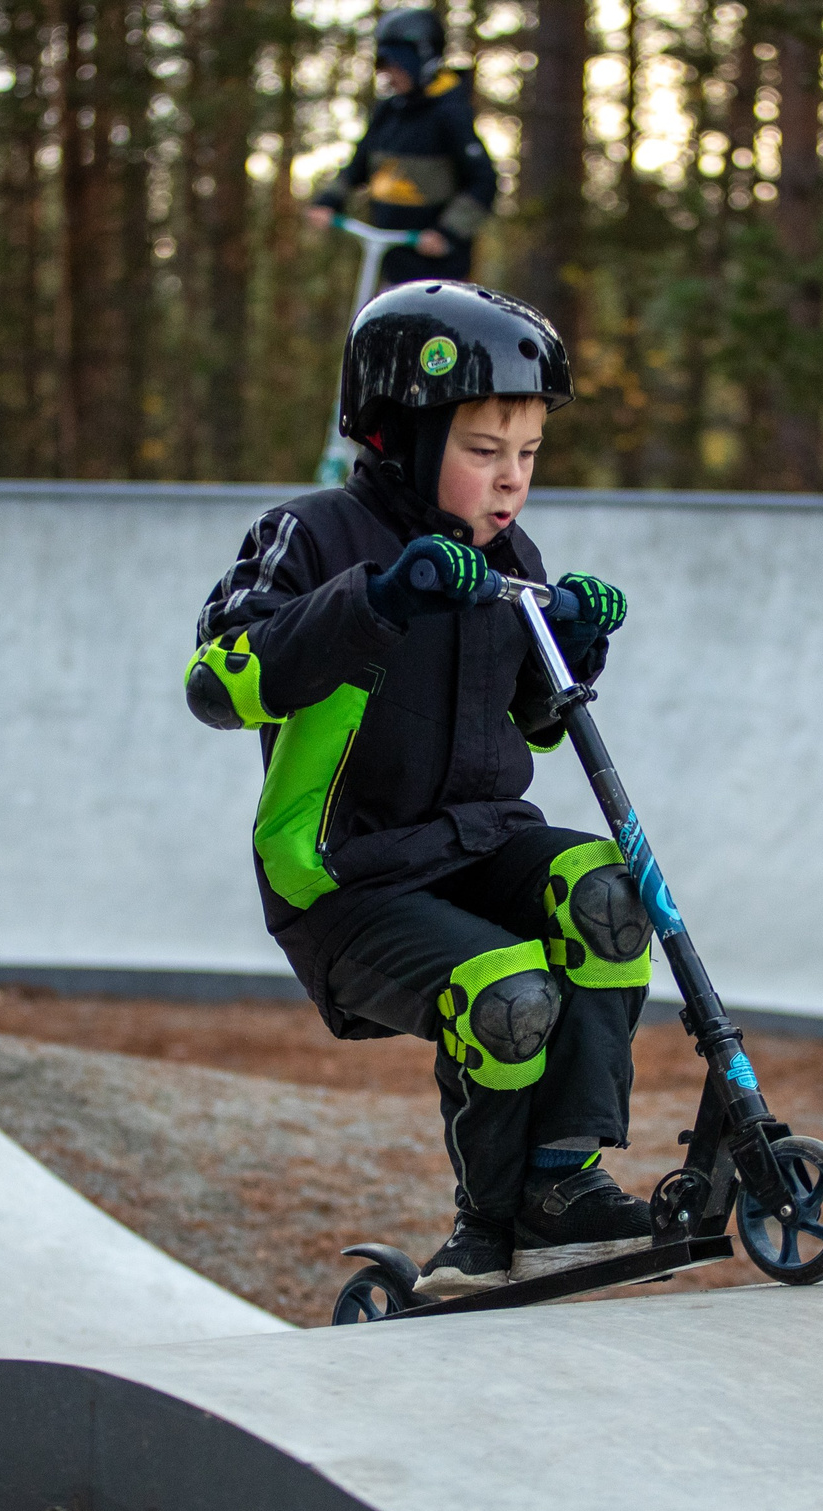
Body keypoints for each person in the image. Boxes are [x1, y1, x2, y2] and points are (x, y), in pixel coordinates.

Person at [184, 282, 650, 1298]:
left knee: (608, 896)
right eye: (484, 450)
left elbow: (530, 719)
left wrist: (573, 645)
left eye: (526, 455)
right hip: (345, 884)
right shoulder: (310, 537)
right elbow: (217, 683)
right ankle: (485, 1234)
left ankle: (562, 1185)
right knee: (504, 991)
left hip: (476, 845)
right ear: (400, 432)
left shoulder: (507, 557)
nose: (511, 481)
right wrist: (373, 602)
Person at [305, 10, 497, 287]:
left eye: (393, 64)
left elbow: (484, 182)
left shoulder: (450, 113)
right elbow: (358, 165)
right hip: (390, 265)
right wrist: (329, 201)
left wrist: (447, 233)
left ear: (419, 60)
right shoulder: (389, 111)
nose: (387, 75)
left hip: (440, 275)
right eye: (383, 65)